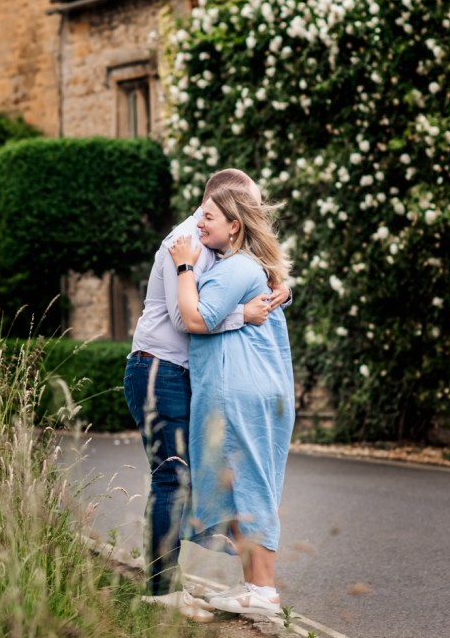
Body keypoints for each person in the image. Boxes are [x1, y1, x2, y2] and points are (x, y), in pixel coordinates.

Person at [123, 168, 290, 620]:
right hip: (159, 369)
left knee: (198, 478)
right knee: (172, 476)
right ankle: (160, 590)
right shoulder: (191, 241)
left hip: (184, 374)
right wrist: (244, 314)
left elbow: (249, 277)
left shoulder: (221, 246)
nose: (253, 216)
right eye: (248, 207)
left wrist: (277, 293)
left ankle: (180, 584)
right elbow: (187, 319)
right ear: (230, 208)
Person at [168, 184, 294, 616]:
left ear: (234, 226)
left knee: (249, 484)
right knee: (242, 483)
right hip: (244, 386)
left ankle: (262, 591)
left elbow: (195, 317)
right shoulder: (245, 266)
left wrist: (185, 267)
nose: (198, 223)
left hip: (236, 388)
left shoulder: (234, 268)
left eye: (208, 217)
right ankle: (253, 586)